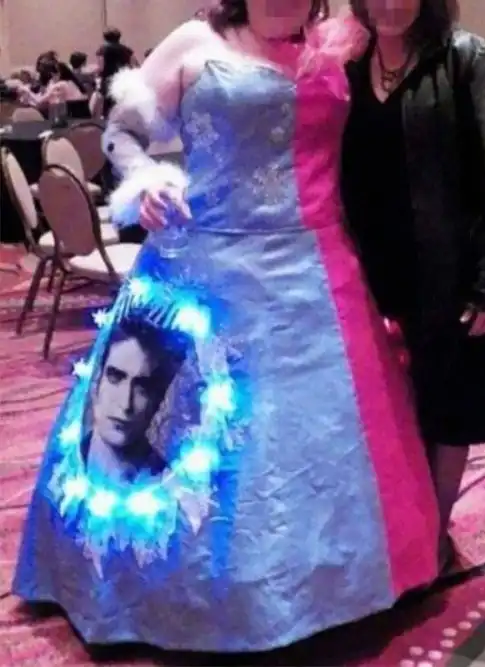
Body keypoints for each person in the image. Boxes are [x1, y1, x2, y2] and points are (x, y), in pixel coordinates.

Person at [13, 0, 439, 653]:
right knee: (178, 440)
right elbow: (120, 132)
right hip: (201, 266)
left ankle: (339, 583)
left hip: (319, 276)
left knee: (333, 440)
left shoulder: (340, 45)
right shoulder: (195, 42)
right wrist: (147, 179)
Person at [341, 0, 485, 567]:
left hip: (452, 272)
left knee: (450, 407)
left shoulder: (470, 57)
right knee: (394, 406)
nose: (390, 3)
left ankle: (434, 535)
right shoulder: (352, 65)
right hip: (374, 273)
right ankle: (402, 525)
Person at [82, 316, 186, 483]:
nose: (126, 404)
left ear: (157, 400)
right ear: (95, 381)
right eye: (115, 378)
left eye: (142, 388)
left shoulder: (168, 486)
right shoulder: (61, 464)